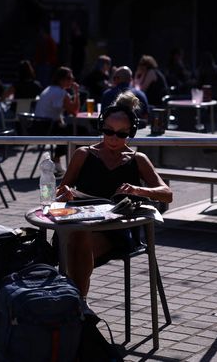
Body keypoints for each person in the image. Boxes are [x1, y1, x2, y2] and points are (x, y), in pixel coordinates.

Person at [54, 92, 173, 297]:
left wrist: (138, 190)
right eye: (108, 131)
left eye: (121, 134)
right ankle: (77, 306)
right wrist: (64, 193)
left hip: (117, 230)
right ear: (101, 127)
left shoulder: (138, 159)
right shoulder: (83, 154)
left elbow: (167, 194)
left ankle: (74, 304)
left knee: (76, 244)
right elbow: (58, 194)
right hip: (80, 224)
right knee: (77, 237)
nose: (113, 138)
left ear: (131, 133)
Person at [34, 66, 80, 175]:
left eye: (72, 78)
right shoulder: (61, 93)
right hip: (46, 128)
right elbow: (74, 111)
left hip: (37, 127)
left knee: (68, 130)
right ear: (61, 79)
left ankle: (57, 159)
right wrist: (76, 93)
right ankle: (74, 165)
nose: (72, 81)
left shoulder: (49, 89)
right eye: (69, 78)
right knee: (77, 132)